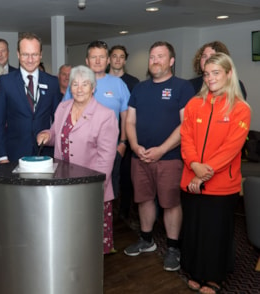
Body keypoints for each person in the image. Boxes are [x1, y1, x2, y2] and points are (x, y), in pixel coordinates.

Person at [180, 53, 250, 294]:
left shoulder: (240, 109)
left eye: (216, 73)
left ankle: (214, 277)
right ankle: (195, 271)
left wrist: (202, 173)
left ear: (229, 74)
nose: (210, 78)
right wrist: (193, 165)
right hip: (191, 180)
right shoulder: (193, 104)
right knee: (195, 230)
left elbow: (230, 149)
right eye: (207, 74)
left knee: (216, 233)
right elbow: (186, 138)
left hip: (221, 185)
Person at [124, 41, 195, 272]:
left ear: (171, 61)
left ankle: (173, 247)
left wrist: (162, 149)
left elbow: (186, 126)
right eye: (152, 56)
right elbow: (130, 121)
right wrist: (134, 146)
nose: (155, 61)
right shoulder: (139, 89)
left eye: (160, 56)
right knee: (144, 199)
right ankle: (147, 240)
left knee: (170, 203)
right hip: (140, 157)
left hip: (170, 157)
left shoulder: (183, 87)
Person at [37, 65, 118, 254]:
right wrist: (46, 135)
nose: (79, 89)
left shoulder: (105, 116)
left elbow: (106, 158)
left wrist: (95, 188)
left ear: (93, 87)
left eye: (85, 84)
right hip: (63, 182)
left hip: (89, 186)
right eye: (75, 84)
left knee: (88, 238)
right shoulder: (63, 107)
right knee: (67, 233)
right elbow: (57, 134)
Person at [62, 40, 130, 252]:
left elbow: (125, 116)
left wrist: (123, 143)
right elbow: (64, 115)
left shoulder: (118, 84)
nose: (98, 60)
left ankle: (98, 246)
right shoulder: (76, 84)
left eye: (102, 56)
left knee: (105, 193)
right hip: (77, 155)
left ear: (108, 60)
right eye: (94, 57)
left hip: (108, 152)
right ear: (87, 60)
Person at [0, 32, 61, 163]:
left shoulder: (52, 82)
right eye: (25, 54)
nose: (30, 59)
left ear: (40, 55)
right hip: (14, 155)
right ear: (18, 55)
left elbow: (58, 120)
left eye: (34, 54)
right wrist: (2, 156)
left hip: (45, 154)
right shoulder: (5, 82)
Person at [108, 44, 140, 220]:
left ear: (125, 60)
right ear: (109, 59)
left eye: (121, 56)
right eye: (114, 56)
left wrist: (127, 140)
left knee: (126, 177)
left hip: (126, 137)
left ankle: (124, 214)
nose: (118, 59)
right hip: (105, 138)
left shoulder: (133, 82)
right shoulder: (100, 80)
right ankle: (108, 212)